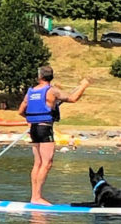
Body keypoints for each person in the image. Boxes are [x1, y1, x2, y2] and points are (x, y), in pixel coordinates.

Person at [17, 66, 89, 205]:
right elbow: (73, 98)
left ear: (39, 77)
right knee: (47, 163)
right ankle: (37, 197)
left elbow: (21, 111)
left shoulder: (30, 92)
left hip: (34, 129)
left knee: (38, 163)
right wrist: (84, 85)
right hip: (45, 129)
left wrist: (33, 119)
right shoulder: (52, 91)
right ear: (51, 77)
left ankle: (34, 196)